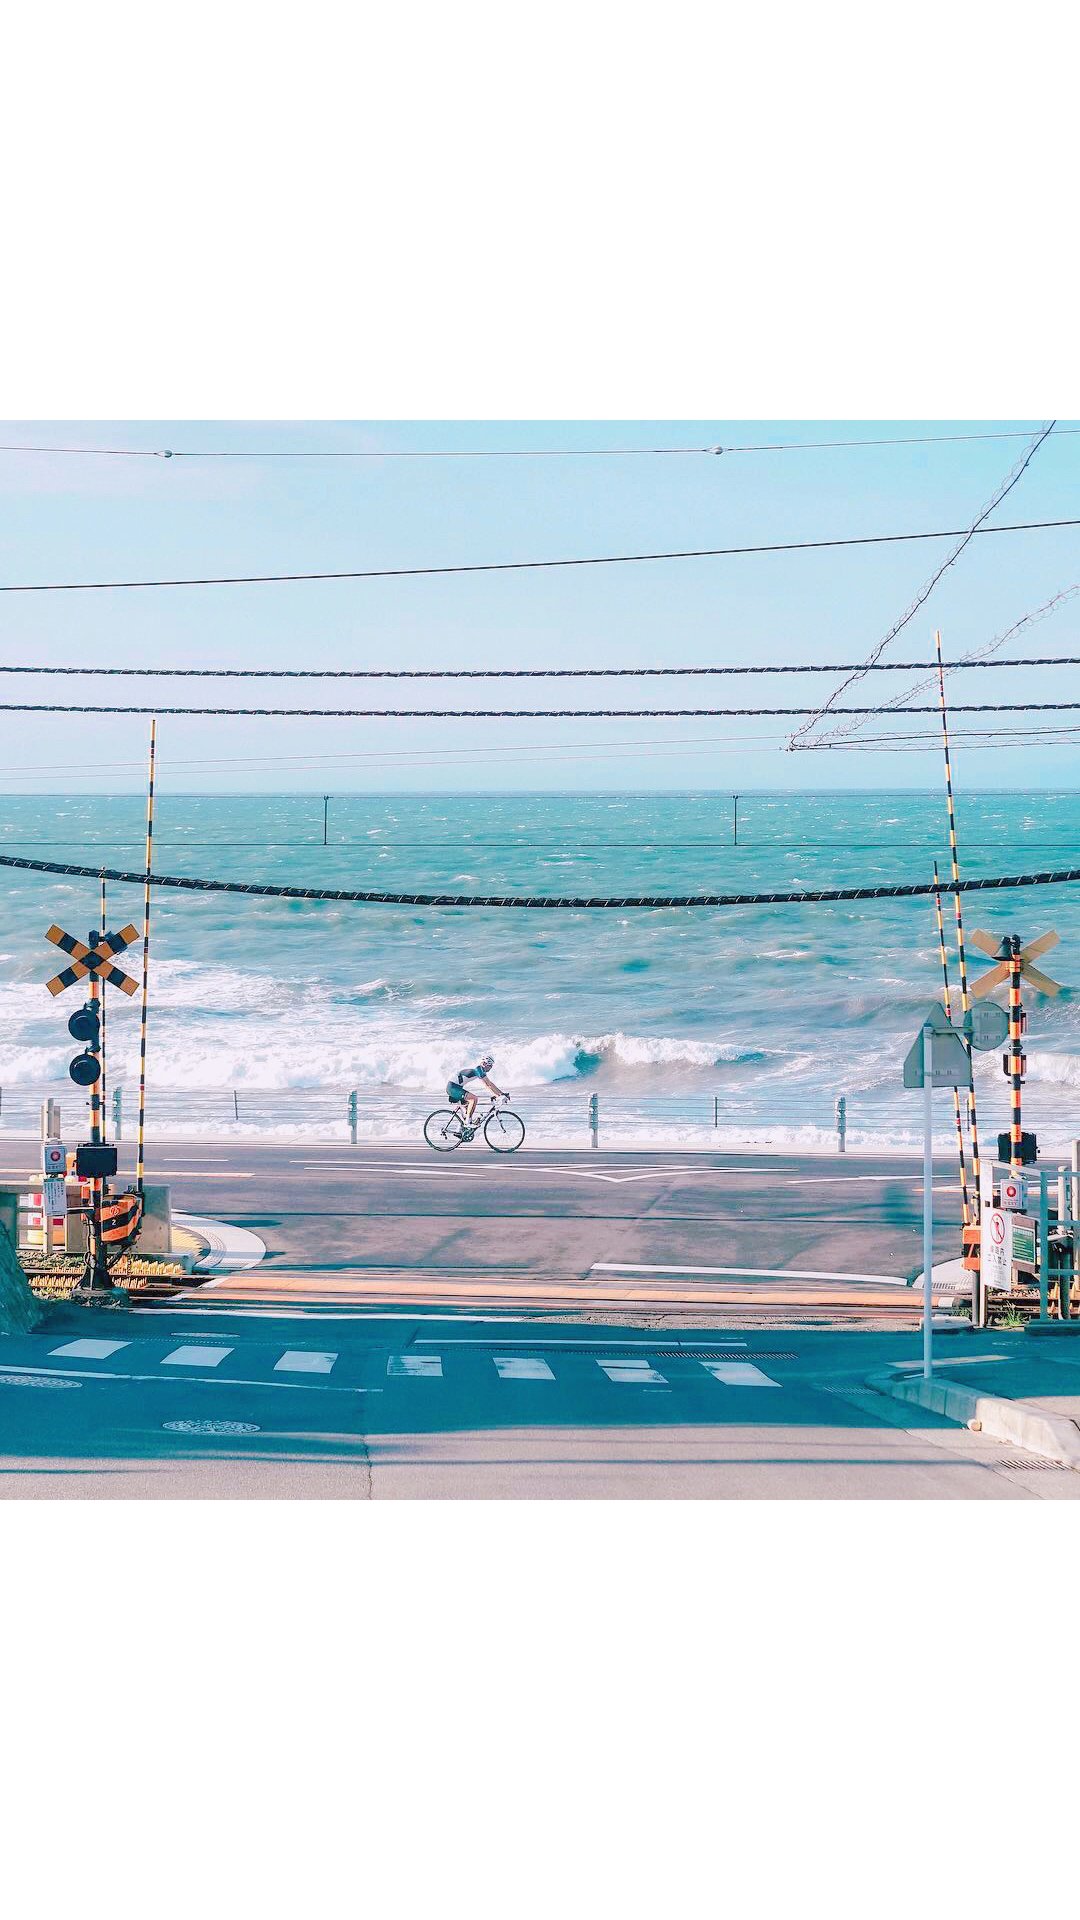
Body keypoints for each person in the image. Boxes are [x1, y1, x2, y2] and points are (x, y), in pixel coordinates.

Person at [446, 1053, 507, 1125]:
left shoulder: (480, 1070)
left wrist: (501, 1094)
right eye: (490, 1065)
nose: (491, 1068)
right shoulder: (479, 1069)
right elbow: (488, 1085)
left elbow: (490, 1083)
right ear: (485, 1063)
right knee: (474, 1099)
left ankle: (462, 1129)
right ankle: (468, 1122)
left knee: (468, 1108)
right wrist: (499, 1096)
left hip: (456, 1087)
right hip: (452, 1087)